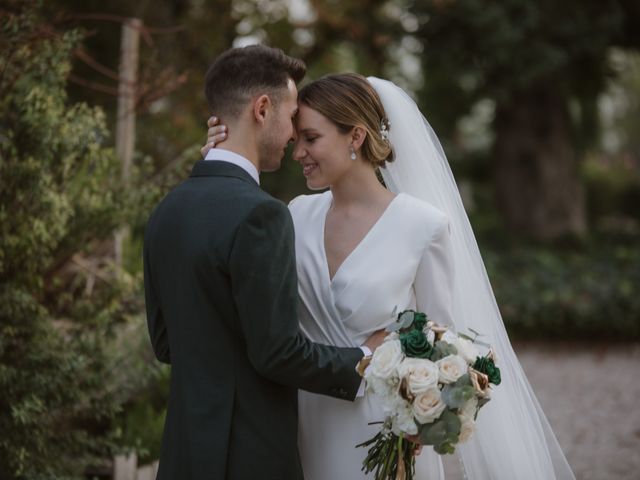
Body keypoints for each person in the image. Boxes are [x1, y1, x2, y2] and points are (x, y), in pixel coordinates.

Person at [203, 72, 576, 479]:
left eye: (311, 138)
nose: (299, 154)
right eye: (297, 141)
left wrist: (423, 417)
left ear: (356, 137)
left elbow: (441, 343)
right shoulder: (294, 215)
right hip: (301, 420)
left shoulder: (423, 225)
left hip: (381, 429)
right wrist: (216, 165)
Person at [143, 45, 386, 480]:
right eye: (292, 116)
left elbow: (165, 343)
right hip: (250, 458)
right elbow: (277, 352)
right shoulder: (262, 214)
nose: (295, 134)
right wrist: (366, 359)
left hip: (184, 455)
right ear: (261, 109)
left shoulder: (168, 210)